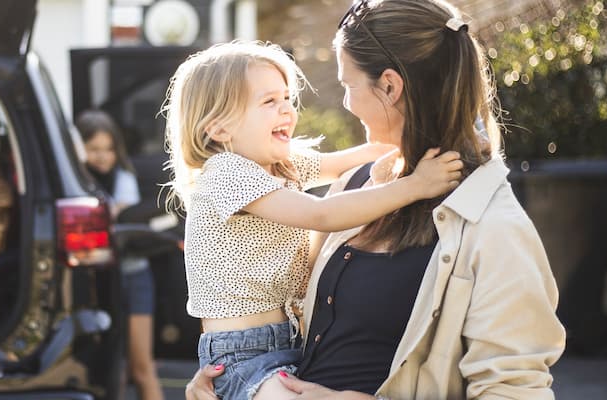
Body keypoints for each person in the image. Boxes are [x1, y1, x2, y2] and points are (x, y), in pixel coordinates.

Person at [185, 0, 566, 399]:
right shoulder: (357, 185)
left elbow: (514, 390)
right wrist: (230, 381)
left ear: (389, 85)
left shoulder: (493, 225)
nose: (345, 103)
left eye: (348, 86)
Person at [164, 40, 464, 400]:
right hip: (242, 355)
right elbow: (321, 215)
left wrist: (413, 144)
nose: (287, 111)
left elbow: (350, 160)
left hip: (292, 341)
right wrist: (417, 185)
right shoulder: (225, 172)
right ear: (220, 129)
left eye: (287, 98)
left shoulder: (279, 163)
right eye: (268, 102)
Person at [76, 109, 166, 400]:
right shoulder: (75, 180)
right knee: (108, 371)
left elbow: (120, 218)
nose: (102, 157)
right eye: (93, 149)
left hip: (133, 277)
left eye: (108, 149)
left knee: (142, 368)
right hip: (94, 283)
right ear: (79, 149)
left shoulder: (123, 176)